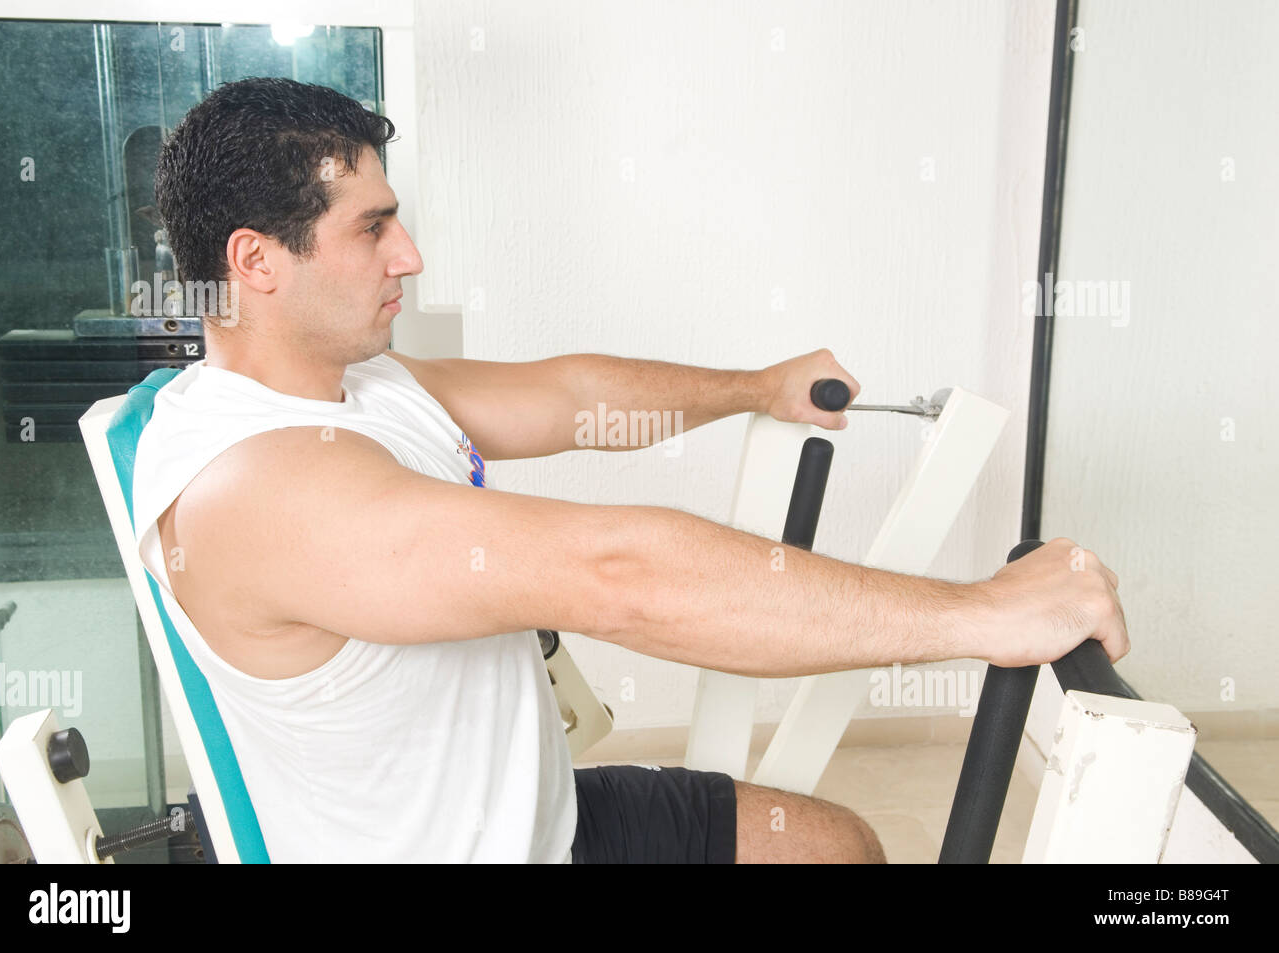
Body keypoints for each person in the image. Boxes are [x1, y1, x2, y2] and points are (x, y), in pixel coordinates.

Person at [134, 76, 1128, 863]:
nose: (411, 254)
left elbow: (567, 395)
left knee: (833, 847)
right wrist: (977, 615)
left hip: (544, 815)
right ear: (256, 262)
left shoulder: (356, 382)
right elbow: (621, 574)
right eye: (372, 226)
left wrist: (756, 385)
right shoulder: (255, 490)